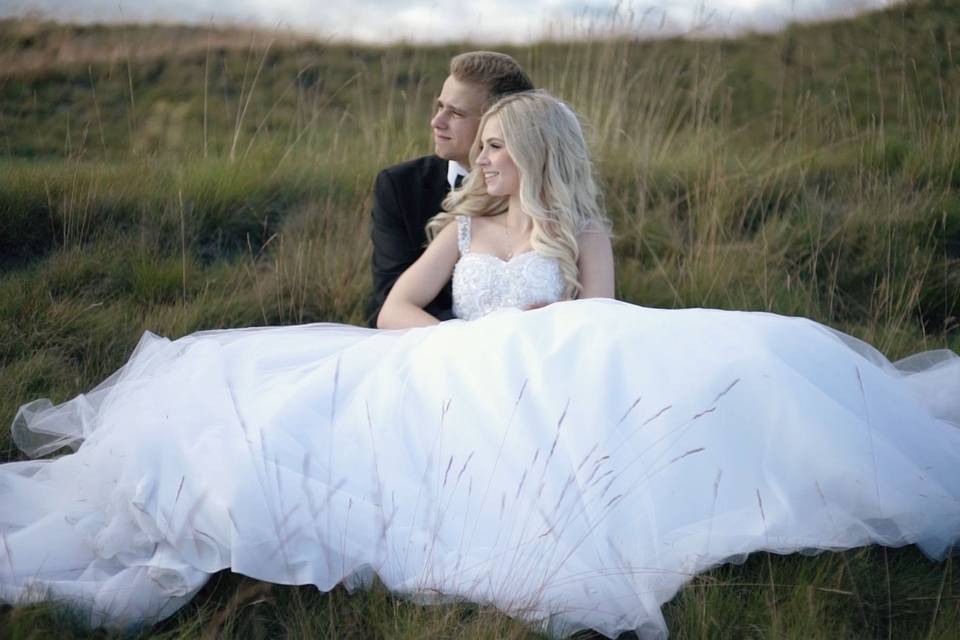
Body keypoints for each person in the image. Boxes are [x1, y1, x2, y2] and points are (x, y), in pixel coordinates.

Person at [2, 92, 959, 640]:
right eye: (482, 146)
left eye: (497, 147)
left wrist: (538, 335)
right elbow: (393, 310)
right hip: (456, 366)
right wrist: (463, 345)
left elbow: (603, 318)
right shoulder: (462, 229)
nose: (482, 160)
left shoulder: (580, 226)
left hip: (563, 363)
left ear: (534, 152)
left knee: (751, 354)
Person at [368, 51, 533, 326]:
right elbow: (388, 296)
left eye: (455, 113)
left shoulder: (544, 197)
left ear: (499, 122)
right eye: (439, 106)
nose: (436, 121)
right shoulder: (400, 186)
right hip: (422, 347)